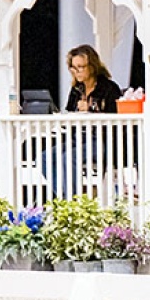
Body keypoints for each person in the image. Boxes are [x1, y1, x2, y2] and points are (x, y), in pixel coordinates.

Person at [42, 44, 122, 197]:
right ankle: (67, 197)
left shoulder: (109, 88)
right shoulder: (76, 89)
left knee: (68, 157)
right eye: (73, 68)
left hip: (102, 140)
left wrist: (91, 108)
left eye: (80, 67)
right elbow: (70, 111)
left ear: (92, 66)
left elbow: (115, 115)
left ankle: (74, 200)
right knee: (44, 157)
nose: (76, 71)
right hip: (78, 138)